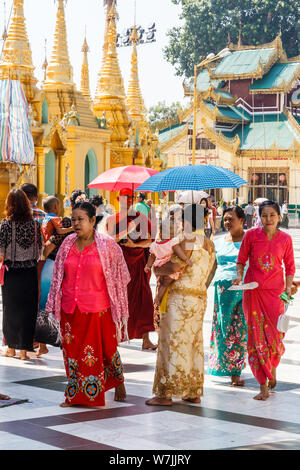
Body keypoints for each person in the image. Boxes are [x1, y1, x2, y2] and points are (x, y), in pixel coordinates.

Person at [46, 201, 130, 407]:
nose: (76, 223)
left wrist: (117, 304)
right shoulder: (66, 244)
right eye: (73, 219)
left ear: (92, 221)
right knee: (73, 352)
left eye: (80, 219)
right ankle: (75, 394)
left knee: (105, 350)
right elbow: (58, 275)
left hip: (98, 308)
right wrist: (52, 303)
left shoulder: (108, 246)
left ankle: (117, 380)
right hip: (69, 308)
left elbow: (122, 276)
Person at [146, 204, 216, 406]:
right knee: (193, 344)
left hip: (179, 299)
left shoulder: (187, 240)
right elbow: (209, 273)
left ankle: (165, 393)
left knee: (171, 343)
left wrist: (157, 269)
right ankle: (191, 391)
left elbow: (174, 267)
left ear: (184, 221)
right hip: (198, 298)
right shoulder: (210, 244)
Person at [234, 200, 295, 401]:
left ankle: (272, 369)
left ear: (279, 217)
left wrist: (287, 290)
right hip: (253, 292)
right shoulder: (251, 235)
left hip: (275, 294)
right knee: (256, 336)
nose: (268, 219)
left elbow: (290, 267)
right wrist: (238, 275)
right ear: (259, 217)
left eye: (272, 215)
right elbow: (241, 260)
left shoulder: (286, 239)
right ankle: (263, 385)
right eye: (264, 215)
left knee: (275, 337)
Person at [106, 188, 156, 350]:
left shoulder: (141, 218)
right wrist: (127, 230)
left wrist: (134, 244)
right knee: (118, 300)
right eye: (124, 197)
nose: (127, 200)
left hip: (138, 264)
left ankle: (146, 339)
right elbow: (110, 241)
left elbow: (150, 241)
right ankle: (115, 336)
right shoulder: (113, 219)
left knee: (144, 299)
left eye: (131, 197)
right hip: (119, 266)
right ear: (118, 198)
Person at [0, 189, 42, 360]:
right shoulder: (35, 225)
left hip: (11, 272)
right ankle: (25, 351)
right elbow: (39, 251)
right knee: (28, 309)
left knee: (11, 310)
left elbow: (1, 252)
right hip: (30, 271)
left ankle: (11, 348)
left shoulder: (5, 224)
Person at [208, 206, 247, 386]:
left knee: (239, 330)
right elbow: (212, 267)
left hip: (244, 290)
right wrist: (204, 287)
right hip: (222, 292)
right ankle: (225, 366)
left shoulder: (249, 240)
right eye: (225, 219)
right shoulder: (218, 241)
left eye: (231, 219)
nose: (227, 222)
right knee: (223, 329)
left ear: (242, 220)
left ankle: (236, 372)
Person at [145, 218, 193, 307]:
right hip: (168, 265)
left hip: (158, 266)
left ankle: (157, 296)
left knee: (160, 282)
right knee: (165, 283)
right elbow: (179, 252)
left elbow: (151, 257)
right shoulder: (172, 242)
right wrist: (186, 259)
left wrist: (148, 266)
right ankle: (158, 298)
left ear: (160, 233)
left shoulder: (155, 245)